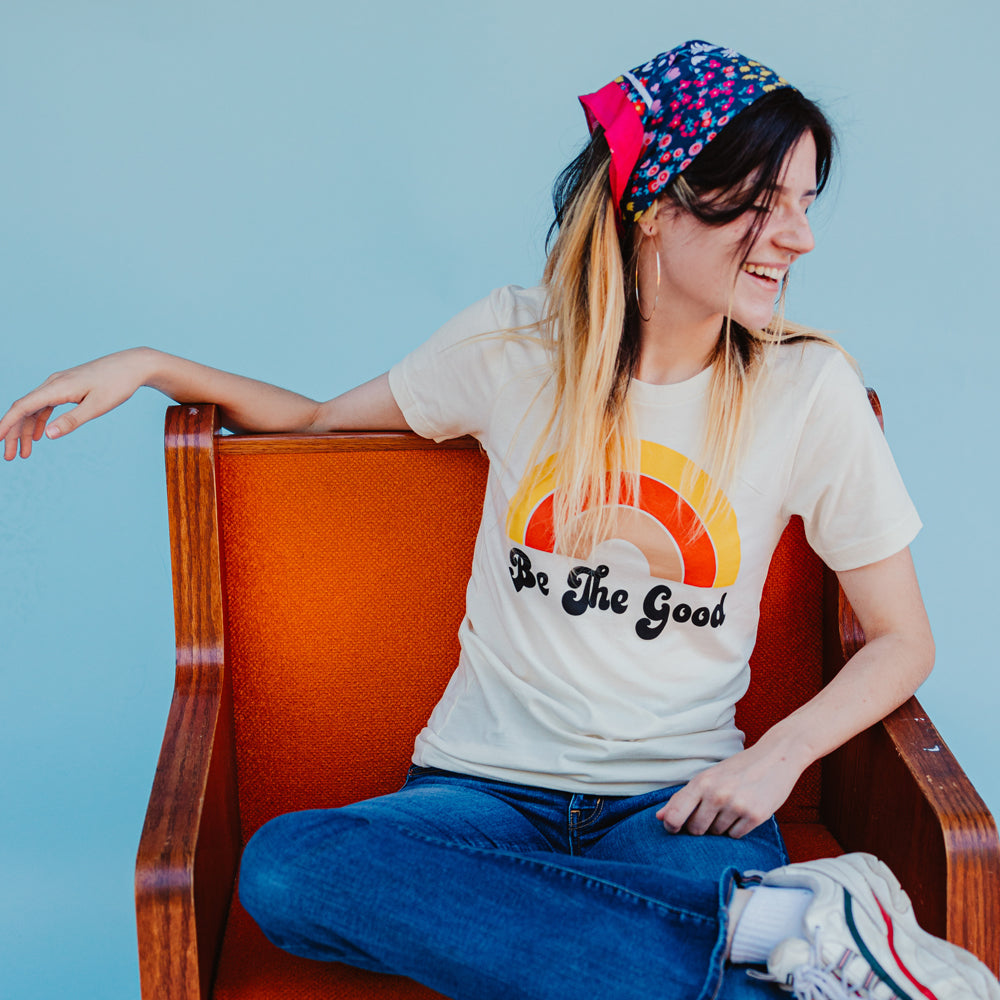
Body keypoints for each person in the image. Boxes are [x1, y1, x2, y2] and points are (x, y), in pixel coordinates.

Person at [2, 39, 997, 1000]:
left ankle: (667, 946)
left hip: (677, 805)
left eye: (805, 205)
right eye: (765, 203)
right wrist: (151, 364)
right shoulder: (514, 346)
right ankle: (771, 938)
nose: (799, 237)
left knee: (567, 923)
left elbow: (901, 638)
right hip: (478, 794)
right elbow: (314, 422)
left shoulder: (807, 389)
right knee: (286, 868)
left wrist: (776, 756)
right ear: (656, 204)